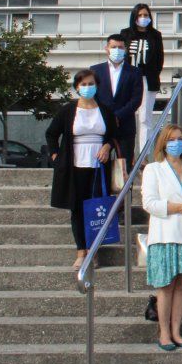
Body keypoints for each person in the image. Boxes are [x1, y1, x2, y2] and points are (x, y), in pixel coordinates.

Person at [141, 124, 182, 351]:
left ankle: (177, 331)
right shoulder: (153, 169)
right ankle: (164, 333)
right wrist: (181, 207)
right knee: (166, 285)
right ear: (163, 142)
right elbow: (149, 203)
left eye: (180, 138)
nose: (176, 143)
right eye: (172, 139)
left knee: (181, 285)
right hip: (165, 235)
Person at [46, 69, 118, 270]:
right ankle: (81, 251)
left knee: (96, 208)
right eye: (83, 84)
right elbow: (51, 134)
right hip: (74, 166)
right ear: (77, 87)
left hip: (98, 168)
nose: (87, 88)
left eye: (91, 84)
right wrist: (55, 156)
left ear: (97, 86)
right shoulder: (68, 110)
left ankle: (94, 251)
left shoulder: (105, 110)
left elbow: (114, 135)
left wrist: (107, 145)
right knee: (77, 209)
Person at [91, 33, 143, 167]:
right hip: (102, 126)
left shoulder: (134, 72)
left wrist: (118, 116)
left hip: (125, 127)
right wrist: (107, 117)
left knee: (125, 169)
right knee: (101, 165)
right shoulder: (95, 70)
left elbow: (136, 99)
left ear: (125, 49)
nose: (117, 50)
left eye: (120, 47)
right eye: (113, 47)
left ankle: (126, 189)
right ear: (106, 48)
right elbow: (93, 97)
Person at [120, 3, 165, 153]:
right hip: (128, 79)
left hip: (147, 79)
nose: (143, 18)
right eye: (140, 15)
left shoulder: (155, 35)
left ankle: (143, 155)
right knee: (126, 115)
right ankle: (127, 153)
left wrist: (152, 75)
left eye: (146, 15)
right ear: (134, 17)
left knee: (145, 118)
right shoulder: (125, 34)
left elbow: (159, 59)